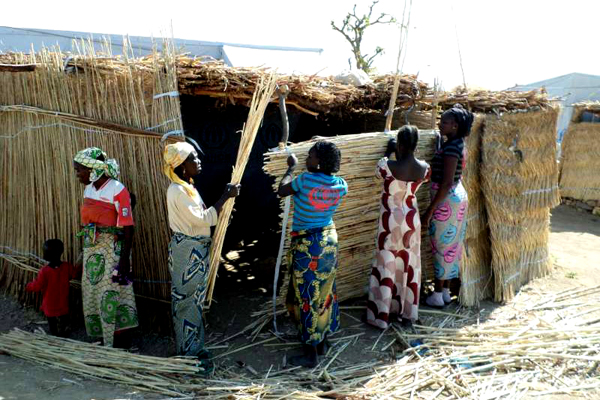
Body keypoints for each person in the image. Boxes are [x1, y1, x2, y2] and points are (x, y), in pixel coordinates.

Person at [163, 142, 240, 371]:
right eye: (193, 158)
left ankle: (194, 348)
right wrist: (225, 196)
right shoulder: (178, 191)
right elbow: (203, 219)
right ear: (181, 165)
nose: (198, 162)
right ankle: (188, 356)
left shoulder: (186, 188)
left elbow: (202, 217)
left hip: (193, 249)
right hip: (188, 252)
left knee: (193, 302)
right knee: (187, 302)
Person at [278, 140, 348, 367]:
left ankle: (310, 355)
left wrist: (290, 168)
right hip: (328, 243)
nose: (307, 159)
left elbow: (282, 190)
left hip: (308, 247)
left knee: (307, 297)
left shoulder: (305, 180)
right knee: (325, 292)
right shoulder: (341, 185)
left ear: (319, 162)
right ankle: (322, 342)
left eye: (310, 156)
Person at [73, 147, 138, 347]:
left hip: (112, 251)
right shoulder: (89, 189)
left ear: (93, 169)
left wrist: (124, 261)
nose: (77, 174)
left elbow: (128, 227)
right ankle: (103, 337)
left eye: (79, 170)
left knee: (113, 293)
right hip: (92, 250)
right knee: (93, 293)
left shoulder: (117, 189)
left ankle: (120, 341)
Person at [367, 126, 430, 329]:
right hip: (412, 219)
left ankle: (381, 315)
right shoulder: (424, 168)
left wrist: (388, 150)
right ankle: (406, 313)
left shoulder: (387, 166)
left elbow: (378, 171)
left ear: (399, 145)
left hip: (390, 221)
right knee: (409, 263)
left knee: (386, 263)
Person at [423, 104, 473, 307]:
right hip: (455, 197)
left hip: (447, 199)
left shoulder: (452, 148)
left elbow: (446, 182)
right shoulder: (456, 143)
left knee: (442, 245)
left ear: (455, 126)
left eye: (444, 122)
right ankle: (444, 291)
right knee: (452, 245)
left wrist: (429, 211)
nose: (440, 124)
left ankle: (437, 294)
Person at [26, 239, 79, 336]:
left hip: (50, 304)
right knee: (63, 318)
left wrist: (29, 286)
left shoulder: (44, 271)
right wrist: (80, 265)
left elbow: (38, 285)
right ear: (61, 252)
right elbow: (75, 274)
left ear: (46, 255)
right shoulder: (67, 267)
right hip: (63, 302)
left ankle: (54, 334)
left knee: (52, 322)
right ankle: (62, 332)